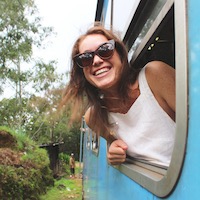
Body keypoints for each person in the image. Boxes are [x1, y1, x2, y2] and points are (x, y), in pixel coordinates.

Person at [61, 23, 175, 167]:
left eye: (105, 50)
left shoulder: (155, 75)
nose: (96, 61)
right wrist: (114, 149)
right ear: (82, 72)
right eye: (86, 58)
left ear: (120, 54)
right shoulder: (94, 117)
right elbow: (114, 142)